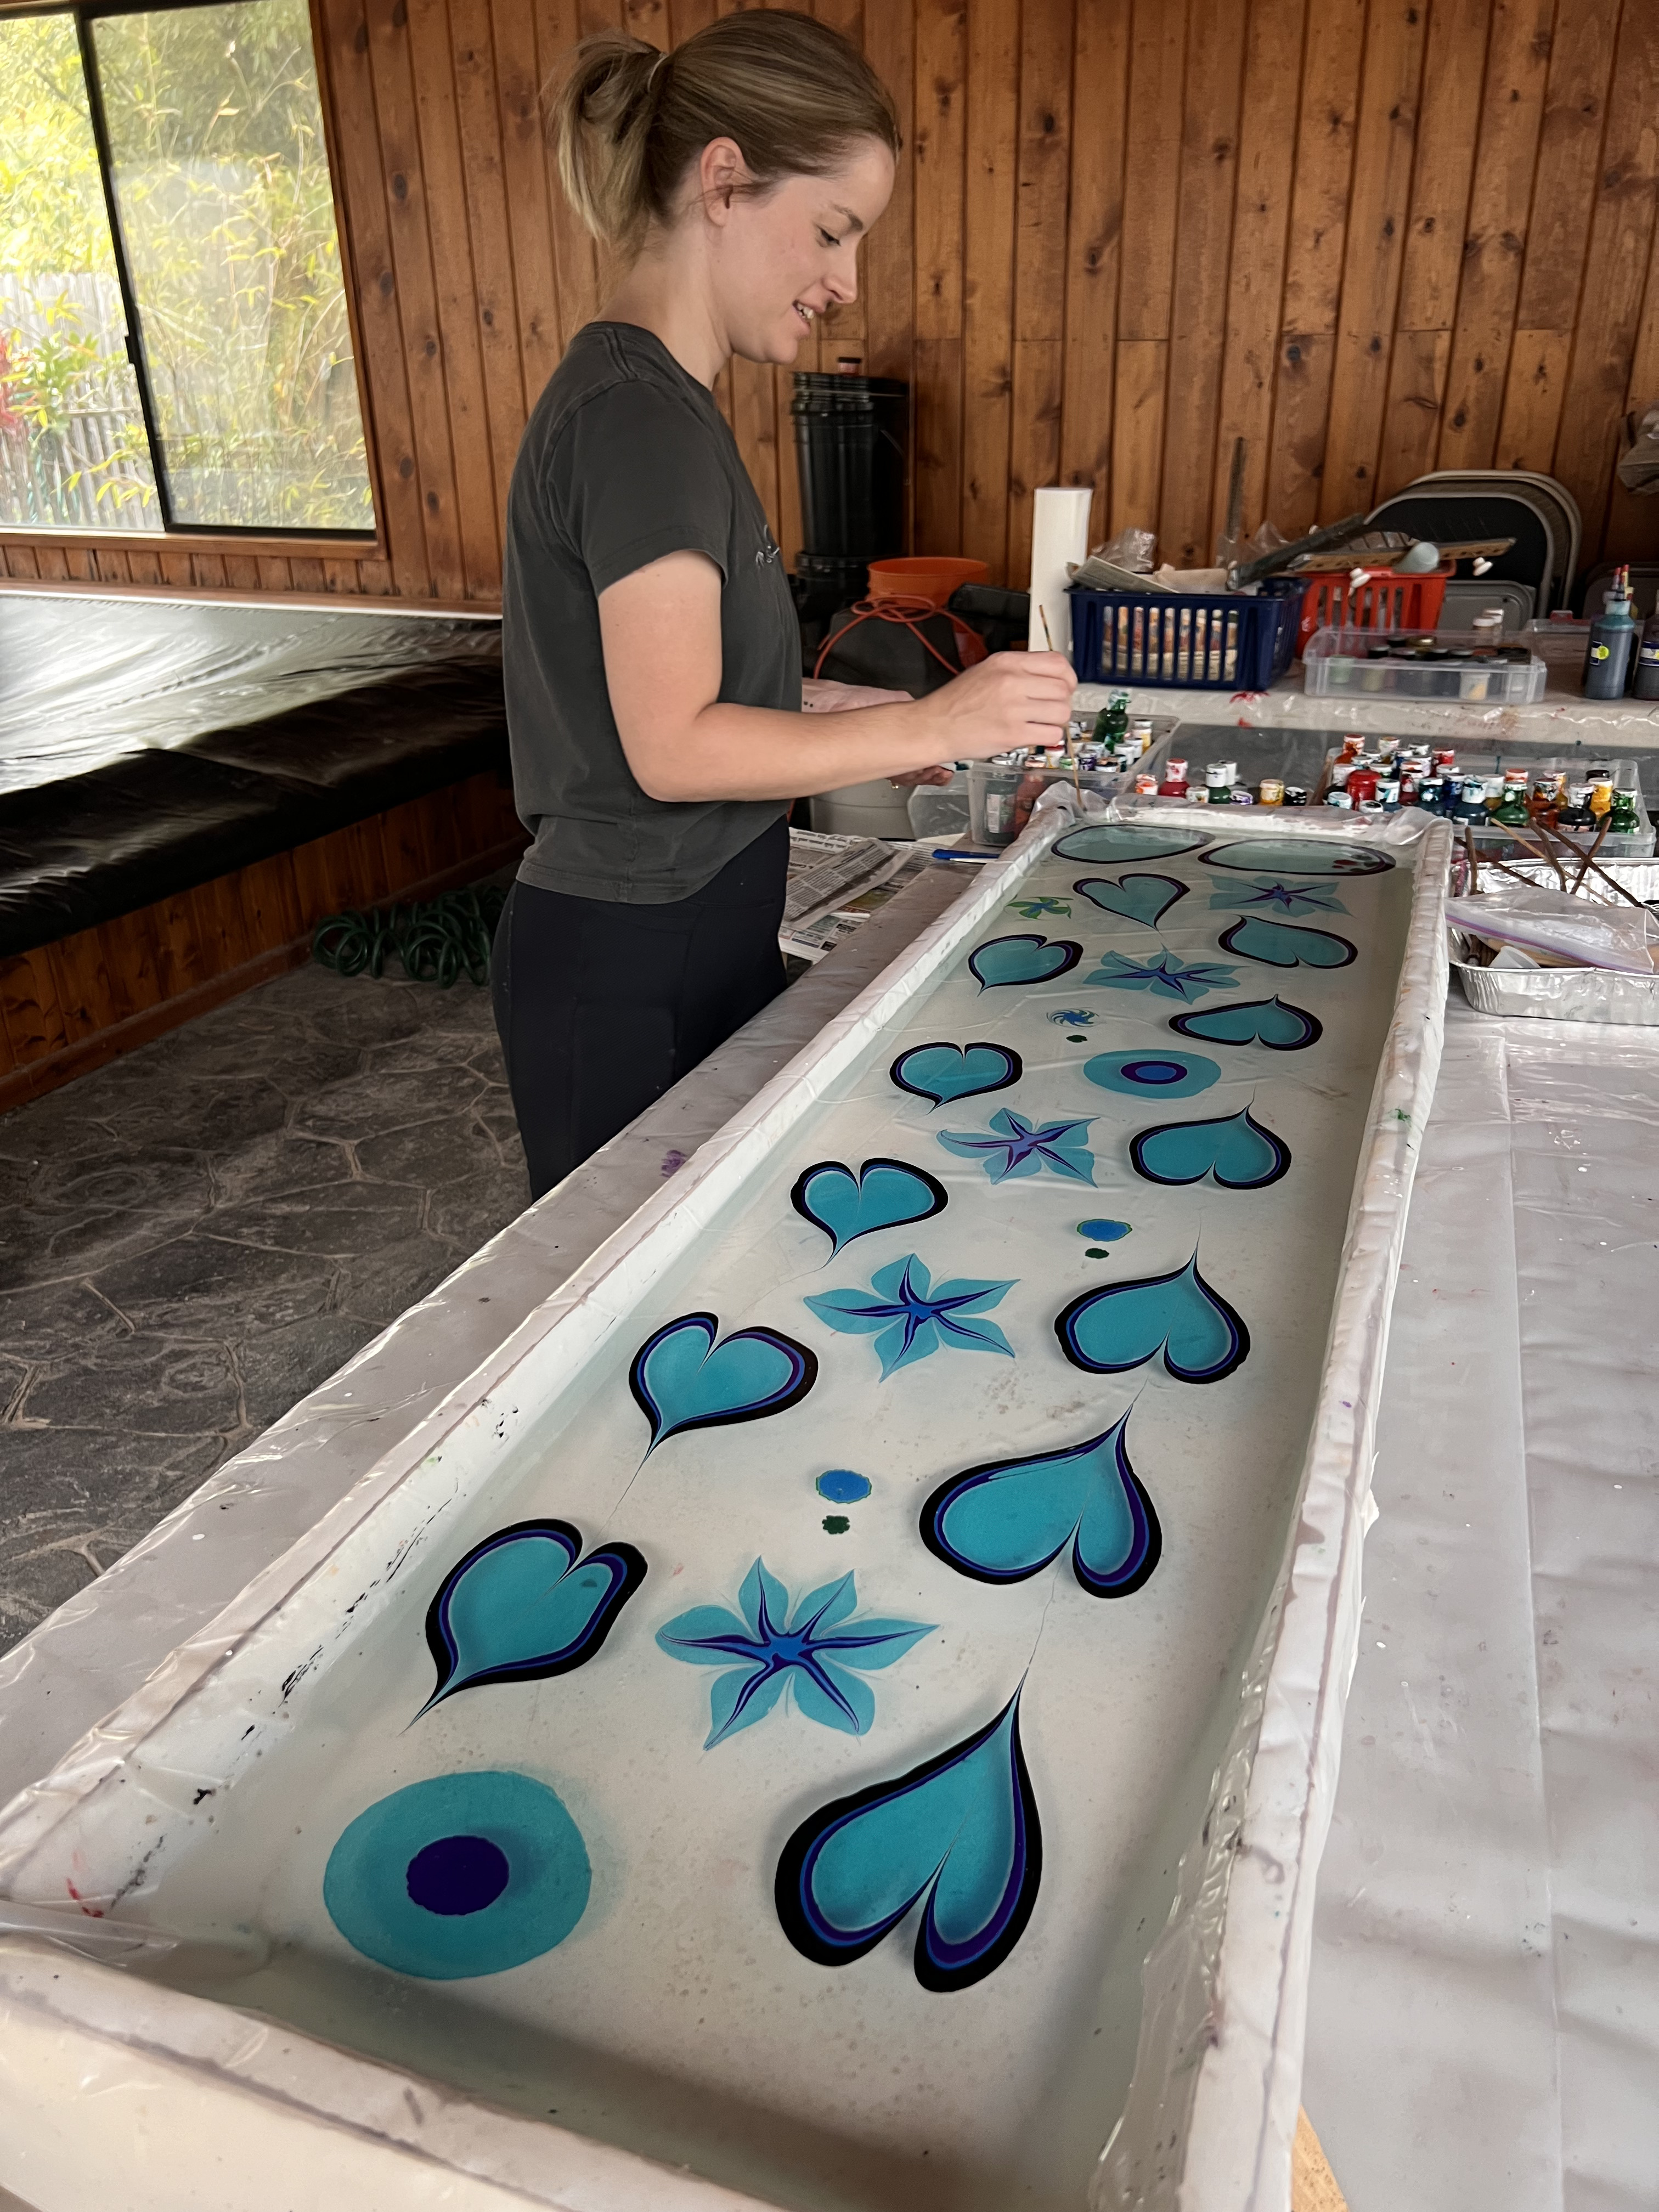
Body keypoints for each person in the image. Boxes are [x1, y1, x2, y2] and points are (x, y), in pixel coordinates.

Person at [494, 10, 1075, 1201]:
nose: (846, 282)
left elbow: (680, 687)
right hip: (630, 954)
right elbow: (672, 747)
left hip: (689, 926)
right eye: (831, 229)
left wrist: (849, 711)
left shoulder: (666, 405)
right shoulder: (638, 420)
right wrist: (933, 722)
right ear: (723, 182)